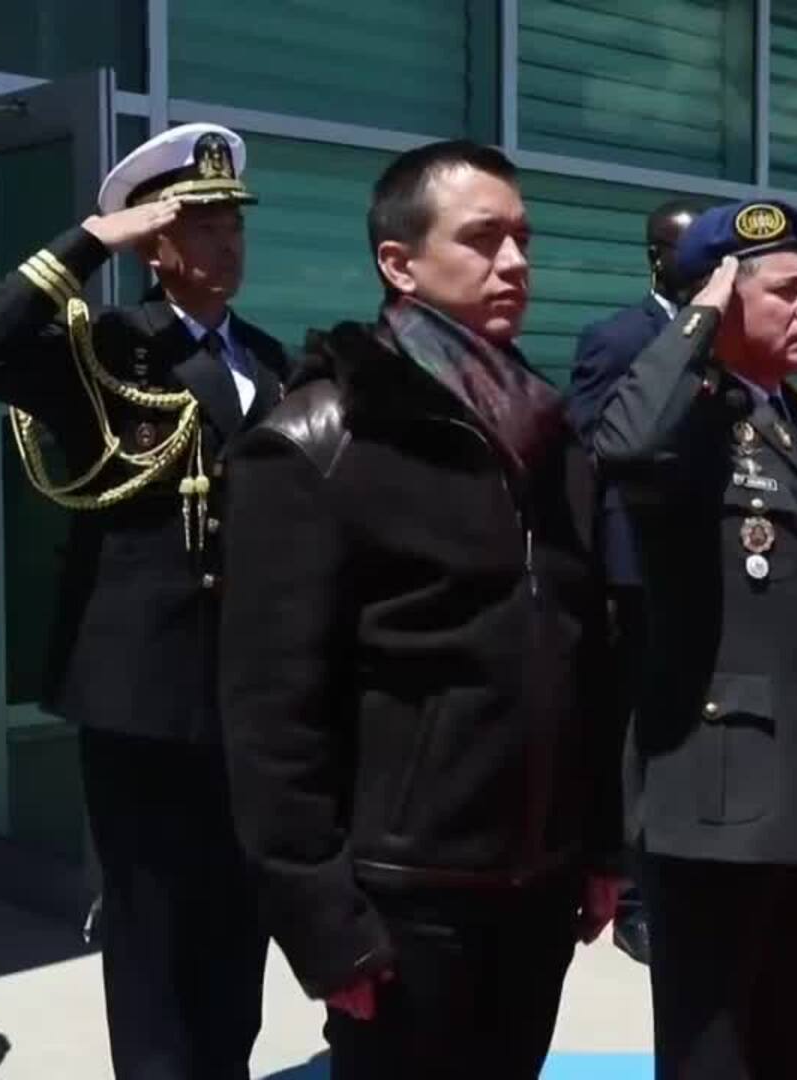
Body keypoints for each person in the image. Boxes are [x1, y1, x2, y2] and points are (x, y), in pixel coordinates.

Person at [218, 140, 622, 1080]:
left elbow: (585, 651)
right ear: (399, 263)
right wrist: (322, 920)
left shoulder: (547, 430)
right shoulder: (319, 441)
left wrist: (601, 843)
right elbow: (271, 717)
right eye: (482, 239)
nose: (514, 262)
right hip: (406, 899)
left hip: (538, 882)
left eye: (523, 239)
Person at [0, 124, 287, 1080]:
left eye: (233, 224)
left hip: (248, 685)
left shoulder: (270, 359)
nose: (227, 243)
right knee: (150, 916)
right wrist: (90, 242)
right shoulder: (104, 346)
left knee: (238, 908)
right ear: (156, 245)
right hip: (140, 685)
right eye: (202, 226)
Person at [593, 199, 797, 1080]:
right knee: (713, 1058)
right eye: (785, 290)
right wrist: (700, 315)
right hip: (715, 814)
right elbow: (624, 442)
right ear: (722, 292)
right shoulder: (692, 425)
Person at [564, 195, 708, 966]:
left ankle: (687, 882)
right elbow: (591, 448)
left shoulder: (718, 337)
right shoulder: (619, 338)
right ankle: (634, 901)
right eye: (691, 252)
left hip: (703, 565)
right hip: (636, 569)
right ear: (657, 258)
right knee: (637, 740)